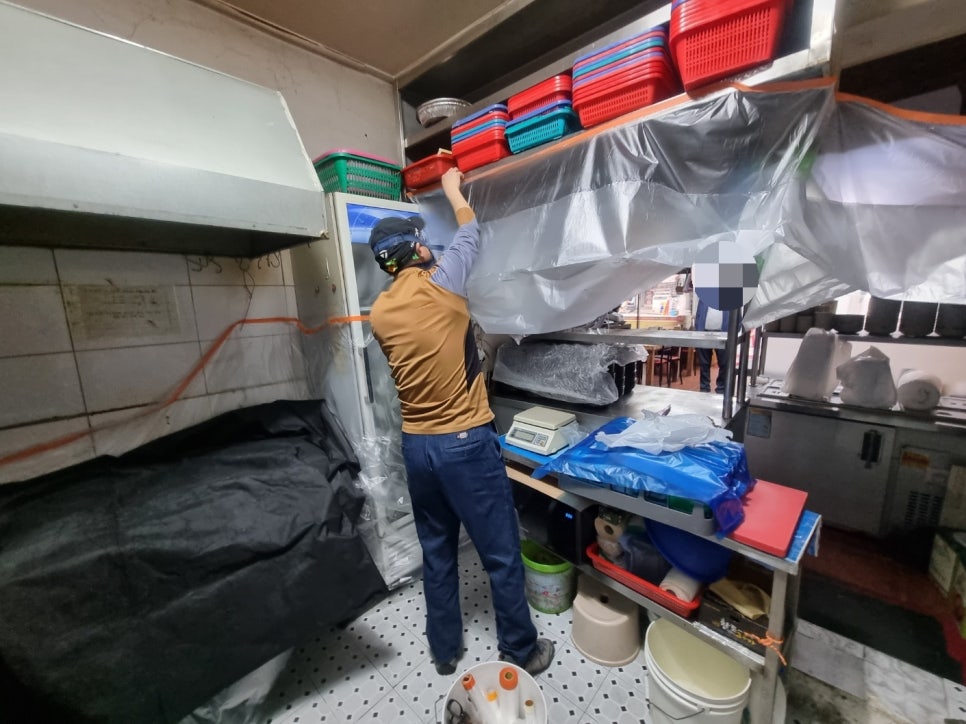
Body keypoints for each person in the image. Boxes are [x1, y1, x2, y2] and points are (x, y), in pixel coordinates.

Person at [368, 167, 555, 677]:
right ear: (416, 249)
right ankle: (522, 650)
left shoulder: (380, 313)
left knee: (437, 551)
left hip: (417, 447)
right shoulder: (442, 283)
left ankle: (444, 650)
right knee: (501, 552)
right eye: (422, 242)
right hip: (465, 445)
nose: (430, 246)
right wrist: (453, 189)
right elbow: (471, 231)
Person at [694, 297, 730, 394]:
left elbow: (737, 318)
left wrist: (732, 333)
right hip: (704, 333)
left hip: (723, 335)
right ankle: (704, 389)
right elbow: (698, 314)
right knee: (704, 364)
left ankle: (721, 389)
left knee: (724, 363)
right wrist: (698, 330)